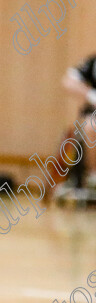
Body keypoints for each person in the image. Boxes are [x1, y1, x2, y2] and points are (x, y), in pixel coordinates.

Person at [61, 54, 96, 197]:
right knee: (90, 126)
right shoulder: (93, 63)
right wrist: (90, 94)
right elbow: (68, 82)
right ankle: (94, 176)